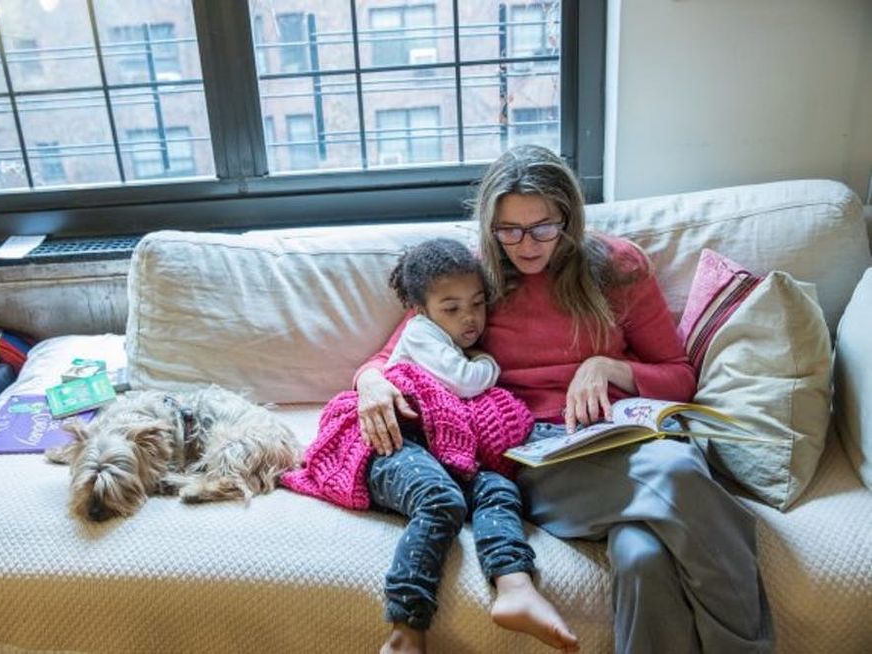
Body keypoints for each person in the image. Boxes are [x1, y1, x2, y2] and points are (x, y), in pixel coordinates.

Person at [354, 145, 773, 654]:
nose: (526, 245)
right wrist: (370, 383)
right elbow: (394, 354)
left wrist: (608, 366)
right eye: (509, 230)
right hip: (537, 456)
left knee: (642, 555)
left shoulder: (617, 266)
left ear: (569, 219)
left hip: (625, 434)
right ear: (490, 226)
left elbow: (679, 376)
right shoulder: (475, 278)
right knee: (679, 474)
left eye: (543, 227)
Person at [282, 238, 579, 654]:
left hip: (438, 449)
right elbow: (465, 381)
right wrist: (486, 362)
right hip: (390, 443)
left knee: (498, 489)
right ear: (420, 311)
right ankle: (406, 628)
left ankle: (515, 585)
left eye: (477, 304)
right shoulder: (422, 334)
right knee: (441, 499)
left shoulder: (450, 333)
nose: (470, 318)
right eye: (452, 308)